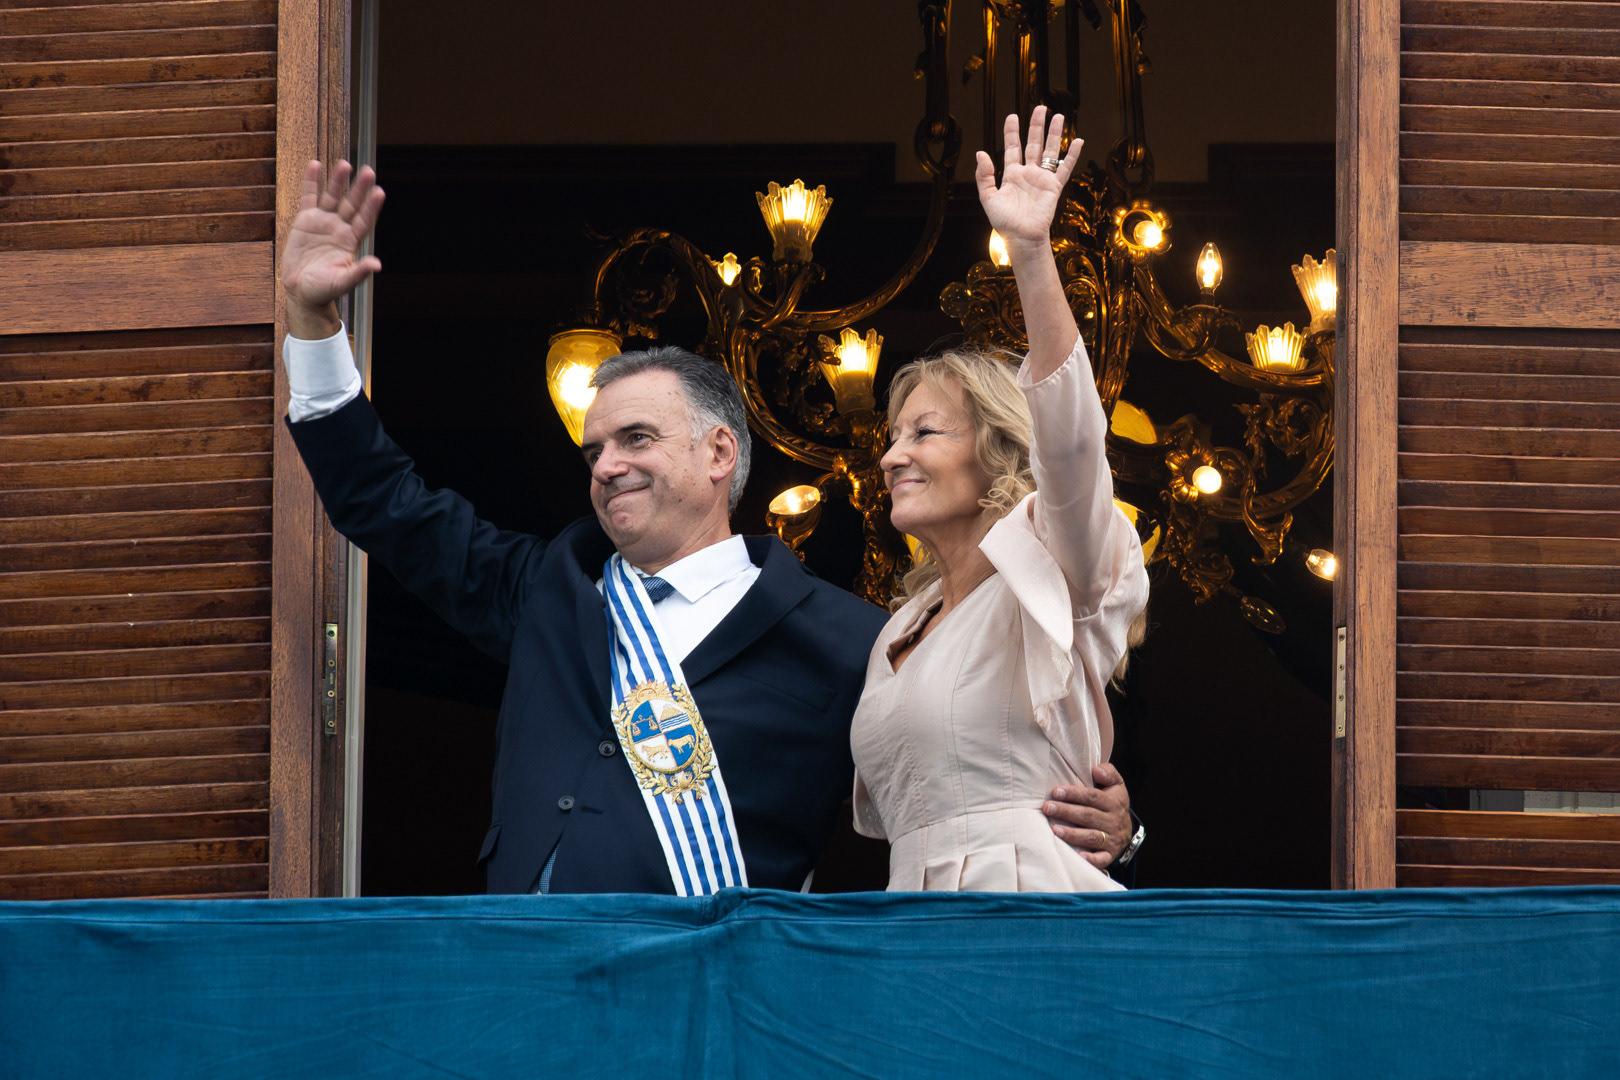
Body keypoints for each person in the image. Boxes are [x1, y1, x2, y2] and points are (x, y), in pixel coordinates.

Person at [277, 154, 1139, 895]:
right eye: (594, 451)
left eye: (637, 437)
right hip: (527, 961)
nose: (606, 463)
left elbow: (963, 759)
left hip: (722, 989)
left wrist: (1111, 818)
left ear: (720, 452)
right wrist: (315, 325)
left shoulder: (852, 640)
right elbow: (386, 505)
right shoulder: (548, 588)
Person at [850, 107, 1151, 892]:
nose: (892, 456)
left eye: (924, 432)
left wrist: (1029, 250)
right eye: (892, 434)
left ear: (995, 457)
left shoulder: (1056, 574)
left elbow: (1074, 443)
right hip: (912, 916)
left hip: (1027, 912)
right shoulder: (897, 632)